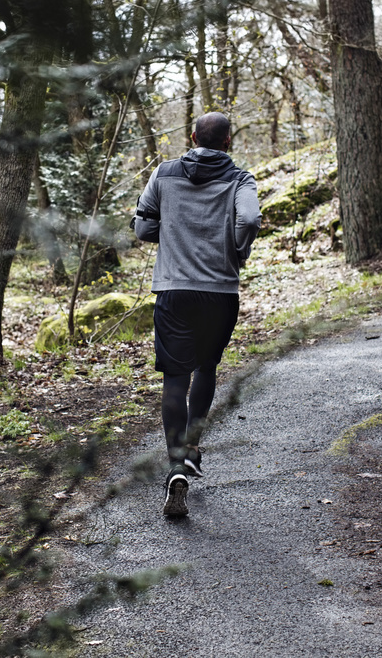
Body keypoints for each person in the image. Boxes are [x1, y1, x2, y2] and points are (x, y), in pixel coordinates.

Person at [132, 111, 261, 517]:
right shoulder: (240, 179)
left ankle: (175, 465)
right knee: (206, 369)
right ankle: (191, 450)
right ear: (227, 142)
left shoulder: (165, 173)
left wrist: (169, 230)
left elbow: (141, 226)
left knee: (175, 377)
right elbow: (251, 219)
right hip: (219, 292)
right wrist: (238, 250)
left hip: (173, 290)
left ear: (191, 137)